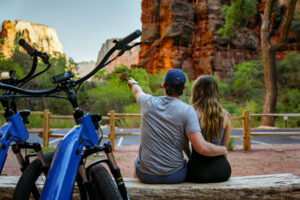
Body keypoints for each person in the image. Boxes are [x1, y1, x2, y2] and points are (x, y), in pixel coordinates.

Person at [127, 69, 227, 184]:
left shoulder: (147, 102)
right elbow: (201, 147)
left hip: (146, 175)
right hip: (175, 176)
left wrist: (133, 83)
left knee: (137, 161)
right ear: (183, 88)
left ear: (163, 85)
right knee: (182, 162)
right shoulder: (188, 111)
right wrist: (223, 149)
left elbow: (137, 91)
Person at [186, 75, 232, 183]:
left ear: (196, 91)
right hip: (222, 170)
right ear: (215, 92)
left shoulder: (191, 113)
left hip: (197, 170)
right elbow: (224, 148)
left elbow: (184, 145)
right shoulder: (225, 116)